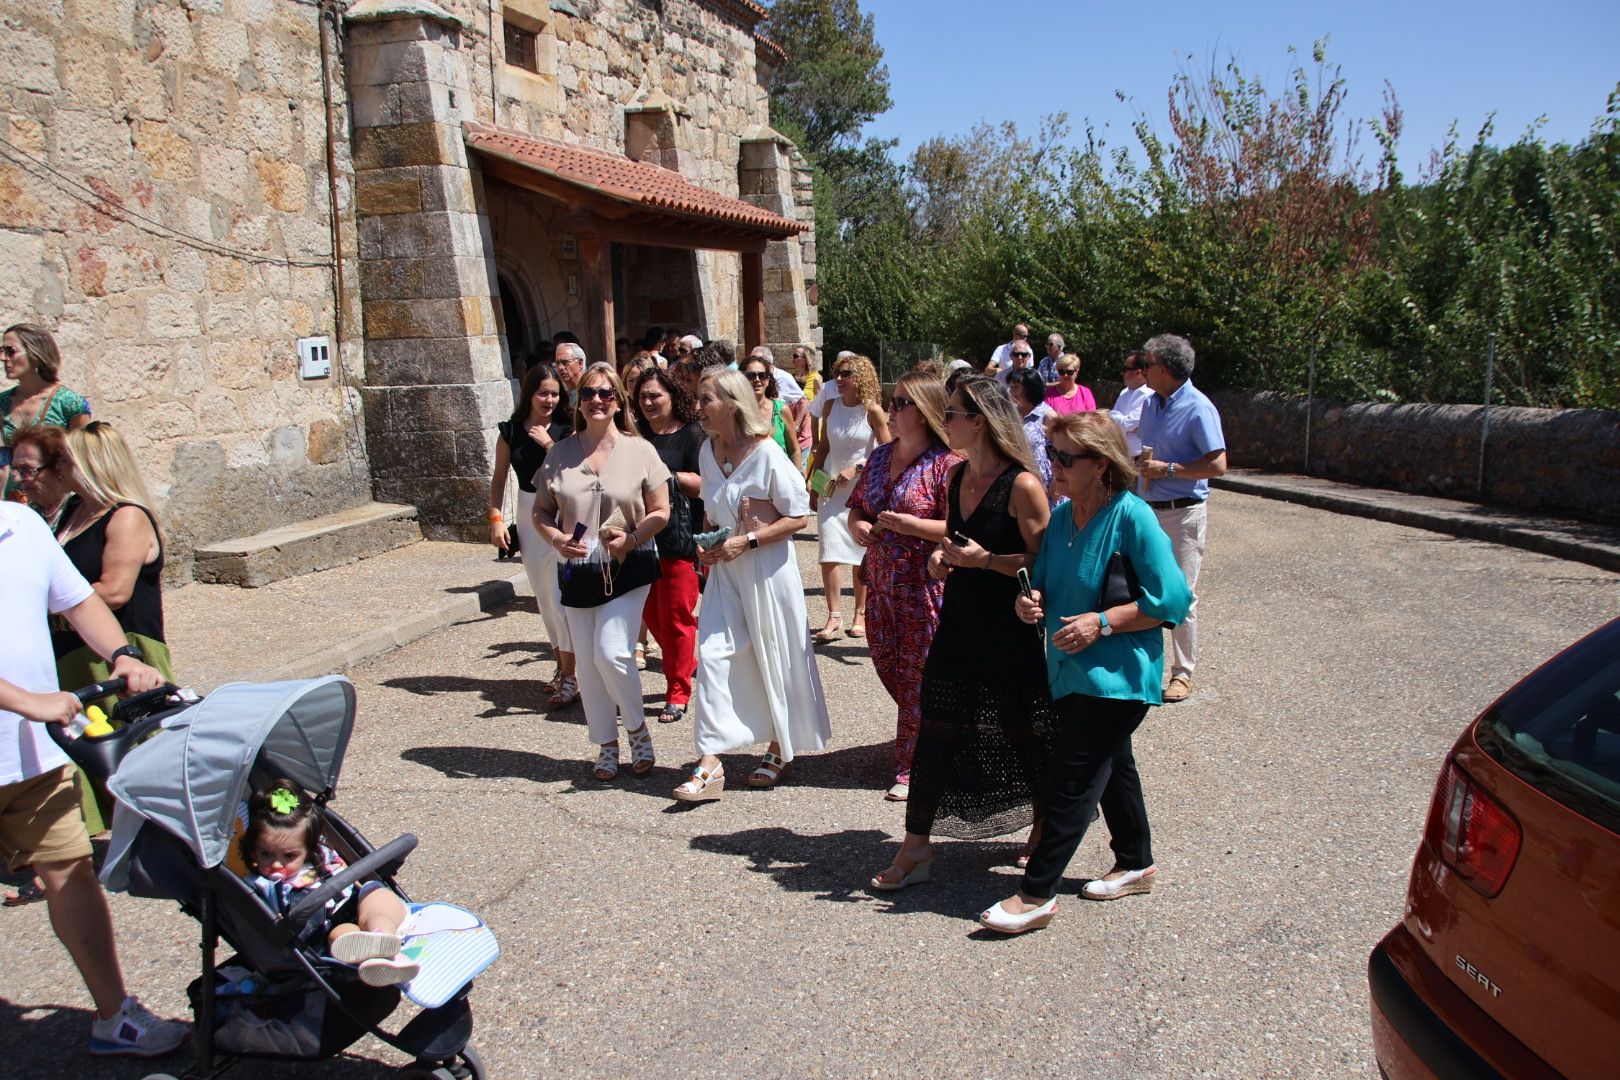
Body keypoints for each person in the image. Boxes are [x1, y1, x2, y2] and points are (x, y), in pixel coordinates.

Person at [980, 411, 1193, 934]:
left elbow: (1174, 601)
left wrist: (1102, 622)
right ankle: (1136, 861)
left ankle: (1037, 893)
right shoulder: (1063, 516)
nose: (1052, 465)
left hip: (1118, 677)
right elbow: (1044, 584)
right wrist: (1030, 601)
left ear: (1100, 466)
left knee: (1072, 780)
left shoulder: (1133, 516)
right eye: (1051, 454)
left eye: (1064, 458)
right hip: (1070, 670)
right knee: (1112, 765)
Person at [0, 497, 187, 1056]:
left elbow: (79, 601)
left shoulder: (23, 525)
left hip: (32, 757)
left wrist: (123, 654)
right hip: (33, 721)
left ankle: (114, 1015)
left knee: (69, 874)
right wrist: (26, 701)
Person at [870, 376, 1053, 886]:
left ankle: (1043, 824)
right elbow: (954, 539)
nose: (944, 421)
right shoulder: (957, 477)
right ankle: (915, 848)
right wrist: (940, 558)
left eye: (951, 413)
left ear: (980, 421)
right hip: (957, 620)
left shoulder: (1023, 485)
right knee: (936, 730)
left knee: (1022, 730)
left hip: (1008, 625)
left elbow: (1046, 563)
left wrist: (987, 560)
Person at [673, 368, 829, 801]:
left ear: (732, 404)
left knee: (773, 657)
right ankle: (710, 761)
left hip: (767, 574)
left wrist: (749, 540)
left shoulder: (768, 455)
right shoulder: (707, 450)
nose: (699, 407)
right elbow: (709, 508)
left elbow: (798, 515)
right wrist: (705, 544)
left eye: (707, 399)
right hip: (724, 571)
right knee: (713, 655)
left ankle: (780, 744)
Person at [21, 423, 174, 838]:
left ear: (91, 465)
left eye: (68, 461)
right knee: (87, 747)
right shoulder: (73, 512)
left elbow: (113, 592)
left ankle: (163, 833)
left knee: (133, 745)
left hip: (119, 649)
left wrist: (43, 607)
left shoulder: (126, 517)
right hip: (74, 650)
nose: (61, 469)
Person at [532, 364, 671, 781]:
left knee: (612, 651)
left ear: (618, 402)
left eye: (607, 394)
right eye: (590, 393)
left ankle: (637, 731)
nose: (597, 400)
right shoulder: (559, 453)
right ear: (579, 401)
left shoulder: (640, 449)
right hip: (578, 570)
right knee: (589, 663)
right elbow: (541, 510)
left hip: (629, 564)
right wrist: (556, 539)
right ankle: (605, 745)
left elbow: (661, 511)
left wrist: (632, 537)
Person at [846, 373, 961, 798]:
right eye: (892, 403)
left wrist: (916, 527)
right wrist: (858, 525)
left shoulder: (947, 466)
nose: (891, 411)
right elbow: (858, 505)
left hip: (923, 586)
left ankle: (913, 767)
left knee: (916, 678)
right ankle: (944, 737)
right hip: (879, 584)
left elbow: (962, 528)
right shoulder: (879, 457)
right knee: (889, 666)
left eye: (901, 404)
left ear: (926, 412)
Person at [239, 779, 418, 986]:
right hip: (324, 928)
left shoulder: (321, 857)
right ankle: (374, 955)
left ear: (308, 850)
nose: (277, 863)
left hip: (351, 901)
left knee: (378, 897)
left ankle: (384, 937)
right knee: (342, 938)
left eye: (289, 856)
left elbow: (350, 879)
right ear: (253, 851)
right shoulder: (261, 885)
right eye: (266, 854)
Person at [1136, 334, 1227, 704]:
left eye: (1148, 363)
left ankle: (1183, 673)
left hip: (1183, 512)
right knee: (1144, 590)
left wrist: (1169, 469)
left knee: (1181, 595)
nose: (1143, 369)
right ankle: (1146, 668)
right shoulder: (1150, 404)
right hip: (1148, 510)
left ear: (1164, 369)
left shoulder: (1197, 407)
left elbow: (1218, 464)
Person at [489, 363, 578, 707]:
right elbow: (499, 480)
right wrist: (497, 519)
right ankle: (562, 667)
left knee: (561, 597)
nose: (550, 400)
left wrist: (550, 445)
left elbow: (577, 472)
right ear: (529, 394)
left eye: (555, 393)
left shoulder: (567, 429)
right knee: (543, 598)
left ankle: (572, 675)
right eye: (543, 393)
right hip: (528, 513)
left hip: (561, 510)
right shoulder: (510, 432)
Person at [631, 368, 703, 724]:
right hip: (639, 537)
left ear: (673, 396)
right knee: (648, 612)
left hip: (679, 536)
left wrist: (664, 478)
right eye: (643, 396)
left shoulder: (693, 434)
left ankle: (677, 690)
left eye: (655, 395)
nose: (648, 402)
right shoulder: (636, 435)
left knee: (677, 615)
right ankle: (687, 663)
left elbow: (704, 482)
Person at [807, 353, 887, 641]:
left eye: (846, 374)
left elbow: (887, 451)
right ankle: (833, 616)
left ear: (861, 378)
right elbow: (824, 448)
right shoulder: (830, 406)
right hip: (830, 489)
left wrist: (858, 467)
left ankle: (860, 613)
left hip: (859, 491)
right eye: (838, 374)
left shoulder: (872, 411)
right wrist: (814, 485)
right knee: (828, 550)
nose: (839, 379)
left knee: (858, 553)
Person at [2, 323, 91, 495]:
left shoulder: (69, 403)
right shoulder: (3, 403)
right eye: (2, 351)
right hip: (16, 501)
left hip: (56, 501)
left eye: (10, 351)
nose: (4, 358)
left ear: (35, 353)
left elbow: (86, 459)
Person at [739, 351, 798, 468]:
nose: (757, 379)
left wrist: (796, 479)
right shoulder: (737, 412)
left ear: (768, 379)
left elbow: (794, 449)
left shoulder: (782, 410)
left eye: (762, 375)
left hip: (781, 479)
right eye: (751, 376)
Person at [1007, 368, 1054, 495]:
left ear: (1030, 389)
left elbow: (1060, 453)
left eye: (1016, 388)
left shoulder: (1048, 416)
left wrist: (1056, 486)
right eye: (1010, 387)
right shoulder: (1011, 415)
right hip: (1018, 485)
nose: (1011, 392)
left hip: (1046, 489)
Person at [1109, 351, 1152, 457]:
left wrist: (1119, 420)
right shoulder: (1124, 392)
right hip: (1121, 456)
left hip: (1140, 458)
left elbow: (1128, 424)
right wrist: (1125, 425)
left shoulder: (1150, 395)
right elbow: (1110, 421)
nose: (1122, 373)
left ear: (1138, 372)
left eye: (1125, 369)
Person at [790, 344, 823, 465]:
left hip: (808, 428)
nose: (792, 359)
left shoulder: (815, 378)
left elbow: (821, 406)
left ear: (805, 359)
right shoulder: (793, 378)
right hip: (794, 427)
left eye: (796, 356)